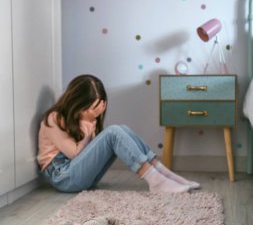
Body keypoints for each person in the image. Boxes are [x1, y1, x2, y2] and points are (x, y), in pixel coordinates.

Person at [37, 74, 200, 193]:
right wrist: (87, 124)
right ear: (75, 102)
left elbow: (88, 153)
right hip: (64, 178)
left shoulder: (81, 120)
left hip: (79, 177)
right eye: (89, 108)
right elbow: (74, 154)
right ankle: (156, 181)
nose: (93, 113)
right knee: (113, 132)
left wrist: (88, 124)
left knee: (122, 129)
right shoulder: (54, 118)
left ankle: (164, 174)